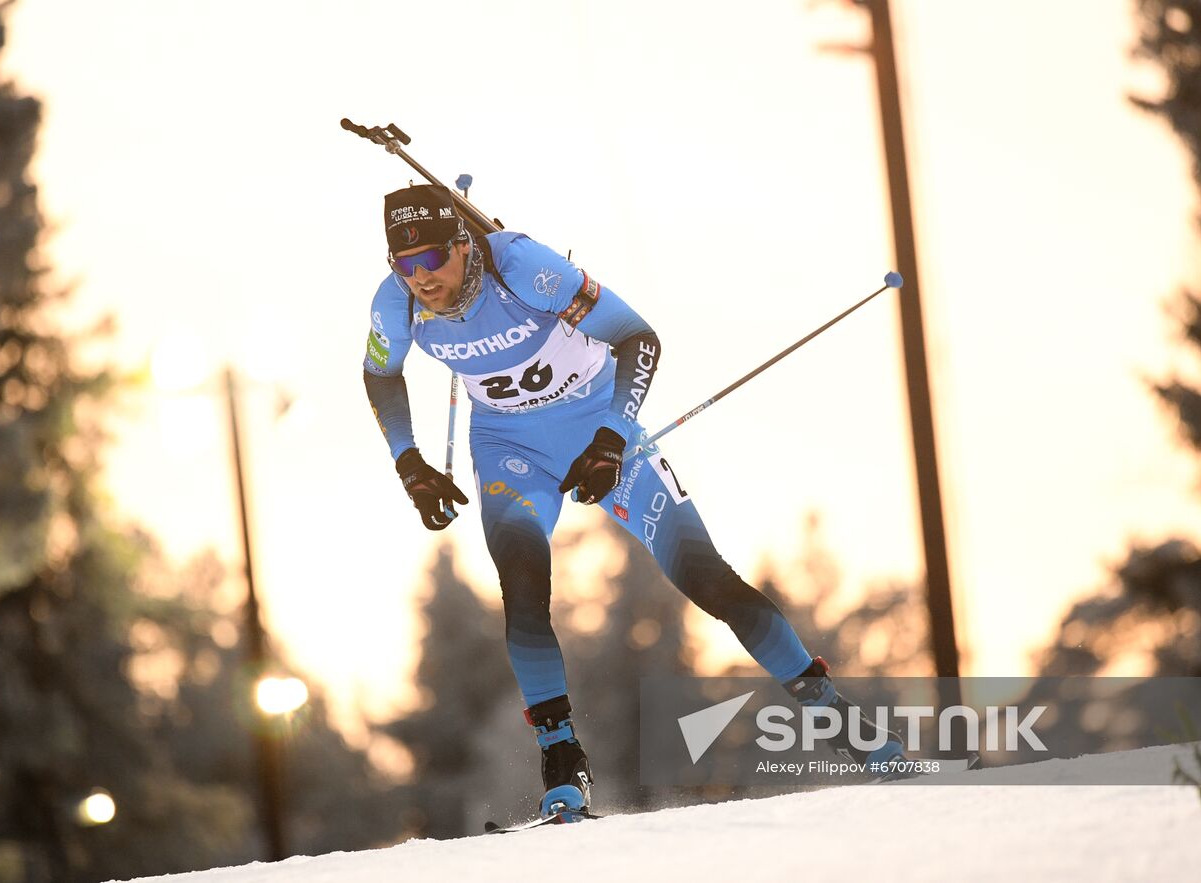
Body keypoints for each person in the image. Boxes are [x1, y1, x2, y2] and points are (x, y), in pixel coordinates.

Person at [363, 184, 906, 818]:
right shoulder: (395, 304)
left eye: (432, 259)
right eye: (404, 264)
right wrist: (410, 463)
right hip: (511, 448)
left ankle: (848, 727)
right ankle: (563, 766)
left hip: (601, 426)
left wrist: (612, 441)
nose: (420, 278)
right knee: (523, 585)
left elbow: (637, 338)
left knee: (706, 578)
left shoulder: (525, 269)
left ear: (464, 246)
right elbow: (380, 374)